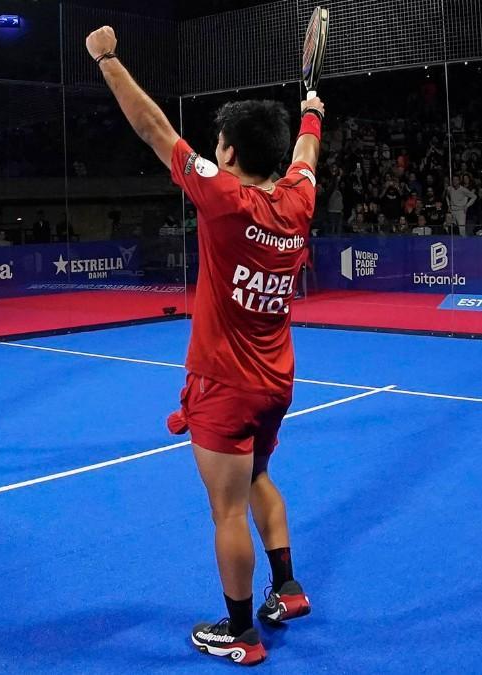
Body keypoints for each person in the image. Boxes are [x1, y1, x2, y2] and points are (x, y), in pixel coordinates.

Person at [87, 25, 319, 666]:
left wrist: (108, 60)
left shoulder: (222, 198)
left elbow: (153, 128)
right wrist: (311, 114)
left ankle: (241, 631)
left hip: (223, 384)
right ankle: (289, 588)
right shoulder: (298, 201)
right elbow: (306, 156)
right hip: (277, 382)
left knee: (227, 510)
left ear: (228, 150)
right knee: (262, 474)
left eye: (218, 143)